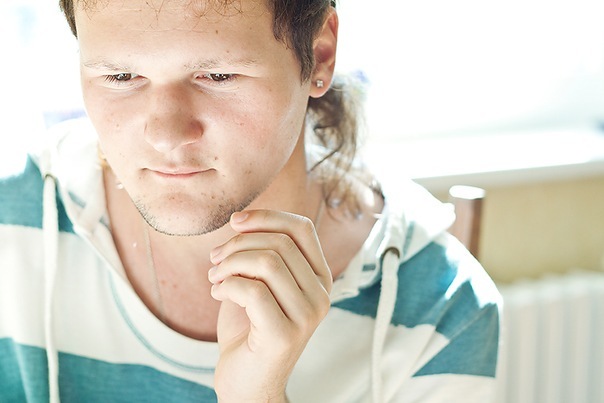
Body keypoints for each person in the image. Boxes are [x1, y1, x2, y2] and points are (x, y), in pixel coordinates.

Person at [0, 0, 502, 401]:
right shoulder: (10, 220)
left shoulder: (442, 312)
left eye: (218, 76)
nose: (167, 135)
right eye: (120, 76)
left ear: (319, 55)